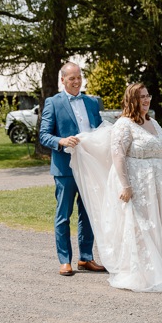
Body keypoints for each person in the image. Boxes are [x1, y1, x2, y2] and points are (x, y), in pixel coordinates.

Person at [68, 83, 162, 292]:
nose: (146, 100)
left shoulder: (152, 121)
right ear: (131, 100)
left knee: (159, 221)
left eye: (147, 96)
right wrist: (125, 185)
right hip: (137, 181)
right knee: (141, 224)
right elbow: (117, 155)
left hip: (159, 180)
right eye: (141, 97)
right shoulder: (124, 124)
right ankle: (144, 272)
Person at [38, 62, 106, 277]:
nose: (76, 82)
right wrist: (62, 141)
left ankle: (86, 258)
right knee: (63, 215)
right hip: (65, 168)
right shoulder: (53, 103)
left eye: (79, 77)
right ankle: (64, 260)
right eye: (71, 78)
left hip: (89, 167)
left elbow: (99, 131)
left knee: (88, 214)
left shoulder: (92, 102)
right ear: (63, 80)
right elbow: (43, 135)